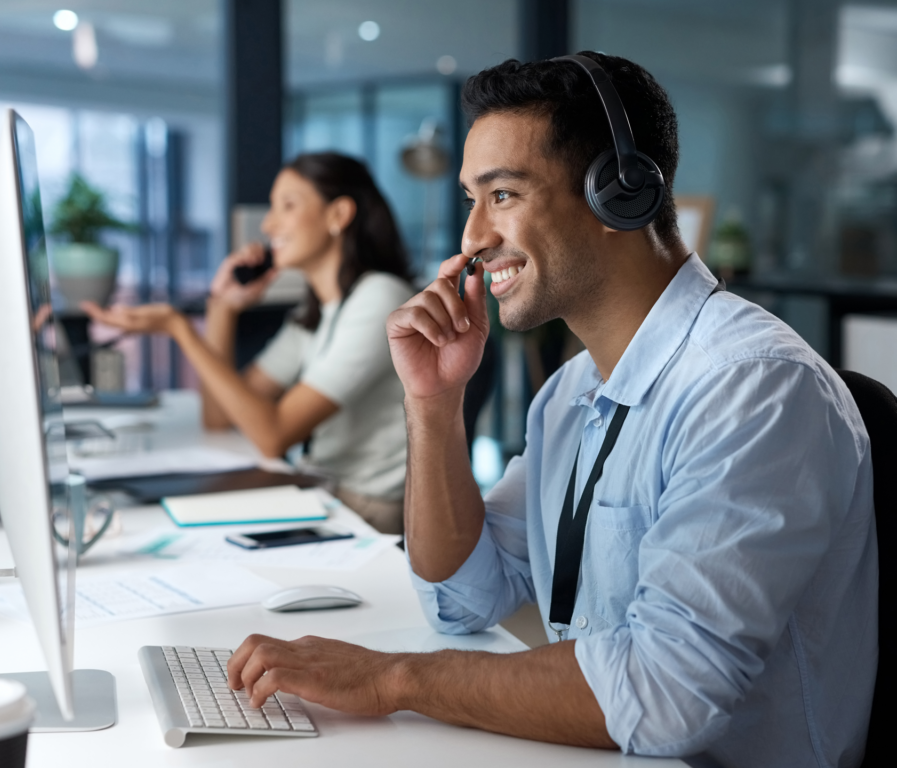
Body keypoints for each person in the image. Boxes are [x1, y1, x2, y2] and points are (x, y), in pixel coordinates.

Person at [224, 53, 878, 766]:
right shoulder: (571, 395)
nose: (472, 237)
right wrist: (434, 404)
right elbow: (463, 599)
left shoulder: (751, 389)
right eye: (471, 199)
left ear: (617, 195)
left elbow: (667, 695)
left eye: (502, 194)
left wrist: (393, 678)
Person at [84, 152, 414, 533]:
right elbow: (220, 417)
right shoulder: (317, 310)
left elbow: (272, 435)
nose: (270, 225)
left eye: (287, 206)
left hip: (366, 509)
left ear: (337, 215)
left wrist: (180, 328)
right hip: (325, 491)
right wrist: (222, 308)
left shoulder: (379, 299)